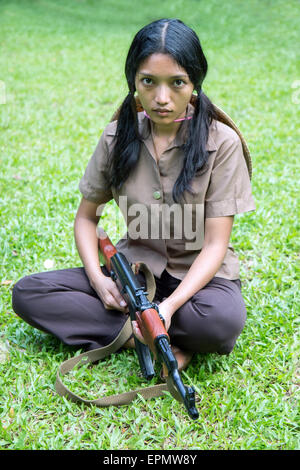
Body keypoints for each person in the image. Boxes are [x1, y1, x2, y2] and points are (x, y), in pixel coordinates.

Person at [12, 18, 255, 374]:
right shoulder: (116, 137)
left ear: (195, 85)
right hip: (135, 273)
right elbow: (86, 218)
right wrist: (99, 280)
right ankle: (145, 338)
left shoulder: (222, 143)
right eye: (148, 82)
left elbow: (216, 245)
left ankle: (153, 327)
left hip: (199, 282)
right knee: (29, 294)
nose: (161, 98)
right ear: (133, 83)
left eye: (177, 83)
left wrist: (168, 308)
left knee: (220, 323)